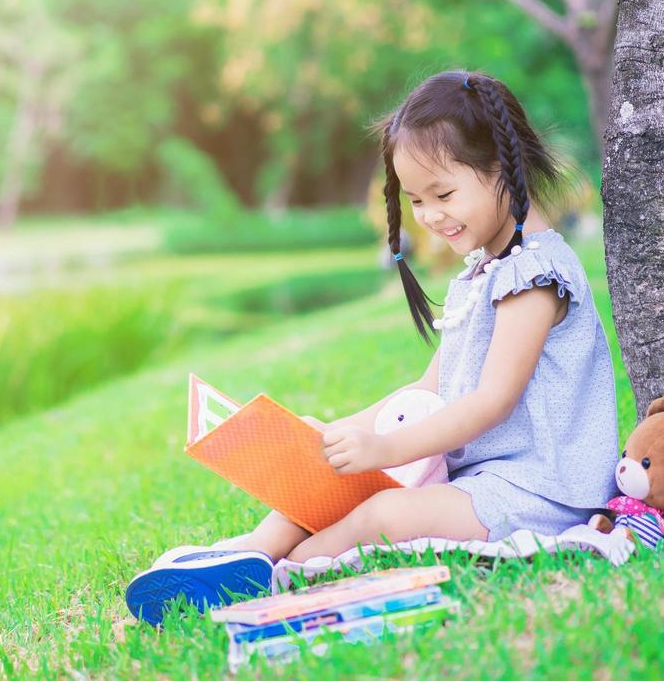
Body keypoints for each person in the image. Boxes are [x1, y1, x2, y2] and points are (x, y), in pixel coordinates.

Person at [125, 70, 619, 627]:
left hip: (538, 493)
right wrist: (337, 436)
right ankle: (249, 551)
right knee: (328, 472)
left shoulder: (533, 274)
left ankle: (276, 575)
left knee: (384, 510)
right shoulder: (488, 271)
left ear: (504, 170)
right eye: (416, 200)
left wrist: (387, 451)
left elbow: (491, 401)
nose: (429, 216)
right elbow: (430, 388)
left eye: (444, 194)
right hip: (484, 485)